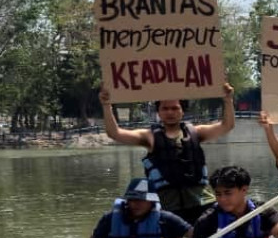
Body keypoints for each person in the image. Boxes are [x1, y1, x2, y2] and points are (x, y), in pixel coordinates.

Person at [99, 83, 236, 225]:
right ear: (158, 112)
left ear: (182, 111)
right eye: (165, 108)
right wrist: (106, 105)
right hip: (168, 208)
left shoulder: (197, 132)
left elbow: (227, 125)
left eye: (175, 108)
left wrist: (227, 99)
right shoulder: (149, 137)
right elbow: (114, 133)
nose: (170, 112)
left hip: (202, 203)